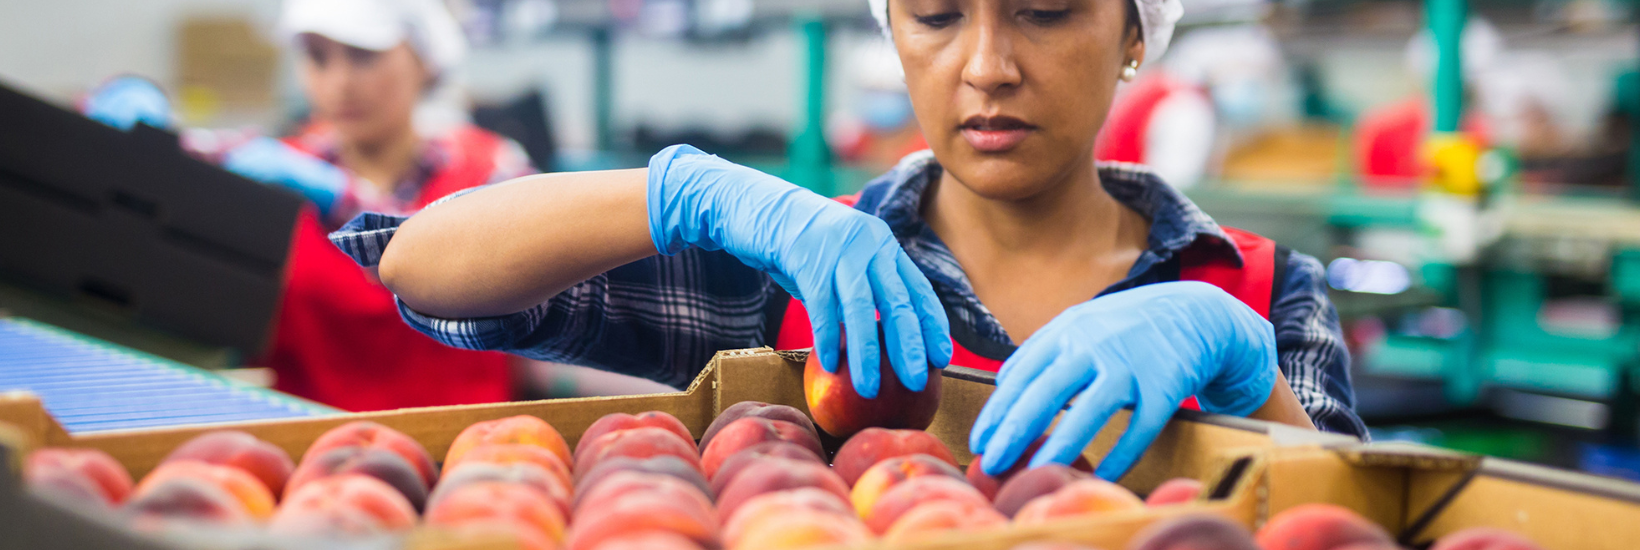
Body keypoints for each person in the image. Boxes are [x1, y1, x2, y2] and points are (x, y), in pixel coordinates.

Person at [333, 0, 1366, 479]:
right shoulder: (789, 284)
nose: (986, 64)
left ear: (1136, 31)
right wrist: (680, 194)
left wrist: (1246, 379)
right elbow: (430, 273)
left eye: (1045, 11)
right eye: (935, 16)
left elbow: (1353, 523)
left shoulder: (1255, 294)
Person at [85, 0, 537, 411]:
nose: (340, 83)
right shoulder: (276, 166)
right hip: (302, 454)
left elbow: (509, 282)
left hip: (468, 450)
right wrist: (132, 112)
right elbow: (185, 155)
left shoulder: (495, 170)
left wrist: (343, 200)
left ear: (423, 60)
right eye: (318, 58)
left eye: (364, 56)